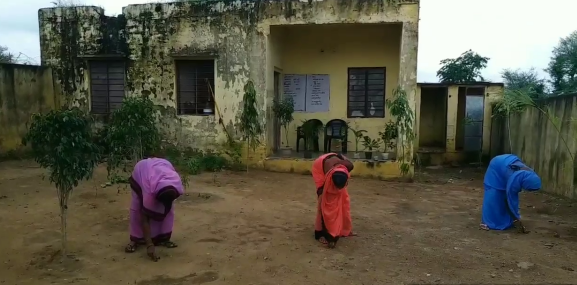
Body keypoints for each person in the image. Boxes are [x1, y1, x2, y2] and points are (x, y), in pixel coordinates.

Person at [124, 157, 185, 261]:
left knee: (168, 210)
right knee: (137, 208)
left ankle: (163, 238)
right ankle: (136, 239)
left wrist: (166, 204)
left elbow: (167, 201)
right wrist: (149, 245)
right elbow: (145, 219)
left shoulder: (176, 185)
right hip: (141, 173)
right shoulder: (149, 191)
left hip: (163, 167)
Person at [480, 154, 541, 233]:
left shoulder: (528, 174)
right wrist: (515, 216)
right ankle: (491, 222)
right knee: (494, 198)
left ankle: (506, 219)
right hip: (495, 169)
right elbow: (510, 198)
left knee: (503, 197)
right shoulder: (514, 178)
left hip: (506, 161)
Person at [311, 153, 356, 248]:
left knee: (344, 201)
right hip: (320, 168)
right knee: (324, 203)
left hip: (335, 169)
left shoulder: (346, 166)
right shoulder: (327, 172)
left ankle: (344, 228)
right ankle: (321, 233)